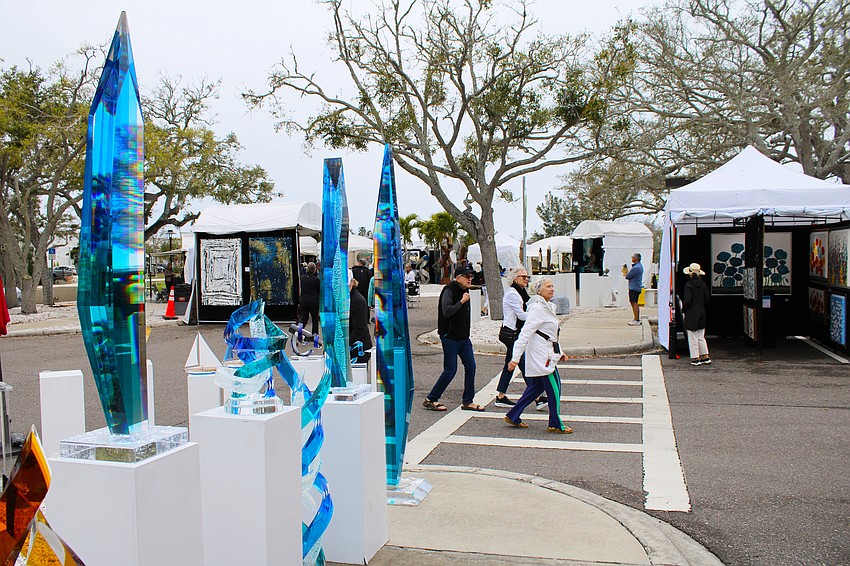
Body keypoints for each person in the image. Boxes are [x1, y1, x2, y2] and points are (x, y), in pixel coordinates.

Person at [504, 277, 572, 433]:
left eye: (552, 286)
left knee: (536, 388)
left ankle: (513, 415)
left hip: (546, 353)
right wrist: (515, 358)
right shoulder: (537, 309)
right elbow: (525, 334)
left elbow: (551, 334)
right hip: (542, 356)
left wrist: (560, 351)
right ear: (539, 290)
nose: (552, 289)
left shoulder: (547, 307)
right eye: (548, 286)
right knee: (554, 388)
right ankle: (555, 423)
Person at [423, 264, 483, 412]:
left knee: (471, 367)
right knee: (450, 370)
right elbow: (447, 311)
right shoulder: (449, 290)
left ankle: (468, 401)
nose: (470, 279)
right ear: (458, 278)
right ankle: (431, 398)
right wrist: (462, 301)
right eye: (467, 277)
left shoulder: (465, 291)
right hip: (450, 337)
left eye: (471, 277)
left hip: (464, 338)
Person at [494, 266, 543, 409]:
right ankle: (537, 396)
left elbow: (529, 305)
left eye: (527, 277)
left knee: (511, 364)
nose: (526, 279)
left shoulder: (521, 291)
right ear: (515, 278)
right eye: (523, 277)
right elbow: (521, 315)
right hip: (510, 334)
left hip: (515, 333)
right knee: (523, 364)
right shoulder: (512, 294)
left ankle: (501, 396)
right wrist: (538, 316)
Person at [682, 262, 711, 366]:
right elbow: (707, 298)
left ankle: (696, 357)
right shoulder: (703, 284)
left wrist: (683, 309)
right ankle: (705, 356)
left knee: (692, 336)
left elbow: (687, 300)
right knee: (701, 335)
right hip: (701, 310)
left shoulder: (689, 285)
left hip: (691, 312)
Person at [349, 278, 373, 363]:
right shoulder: (349, 298)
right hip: (355, 345)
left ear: (352, 282)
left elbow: (359, 329)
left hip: (359, 347)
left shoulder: (356, 300)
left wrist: (345, 344)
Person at [299, 262, 321, 336]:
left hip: (303, 301)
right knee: (315, 319)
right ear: (314, 270)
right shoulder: (316, 280)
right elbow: (319, 291)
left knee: (303, 318)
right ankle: (315, 337)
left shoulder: (302, 278)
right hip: (313, 301)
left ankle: (299, 332)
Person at [625, 253, 644, 326]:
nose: (632, 258)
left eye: (633, 257)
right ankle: (636, 318)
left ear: (636, 259)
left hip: (634, 287)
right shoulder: (639, 266)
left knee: (634, 303)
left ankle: (636, 319)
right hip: (636, 287)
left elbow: (628, 276)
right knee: (634, 302)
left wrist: (626, 271)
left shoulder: (636, 268)